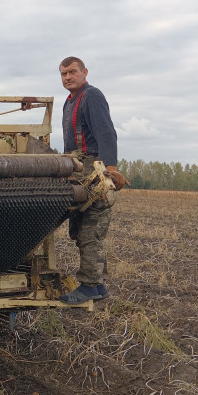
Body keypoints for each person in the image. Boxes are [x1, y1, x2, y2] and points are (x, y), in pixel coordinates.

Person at [58, 56, 128, 305]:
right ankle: (98, 285)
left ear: (84, 72)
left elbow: (107, 133)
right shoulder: (69, 102)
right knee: (80, 231)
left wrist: (110, 169)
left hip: (95, 172)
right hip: (78, 172)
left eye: (72, 72)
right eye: (64, 74)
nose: (68, 77)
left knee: (90, 231)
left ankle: (89, 286)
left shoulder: (92, 96)